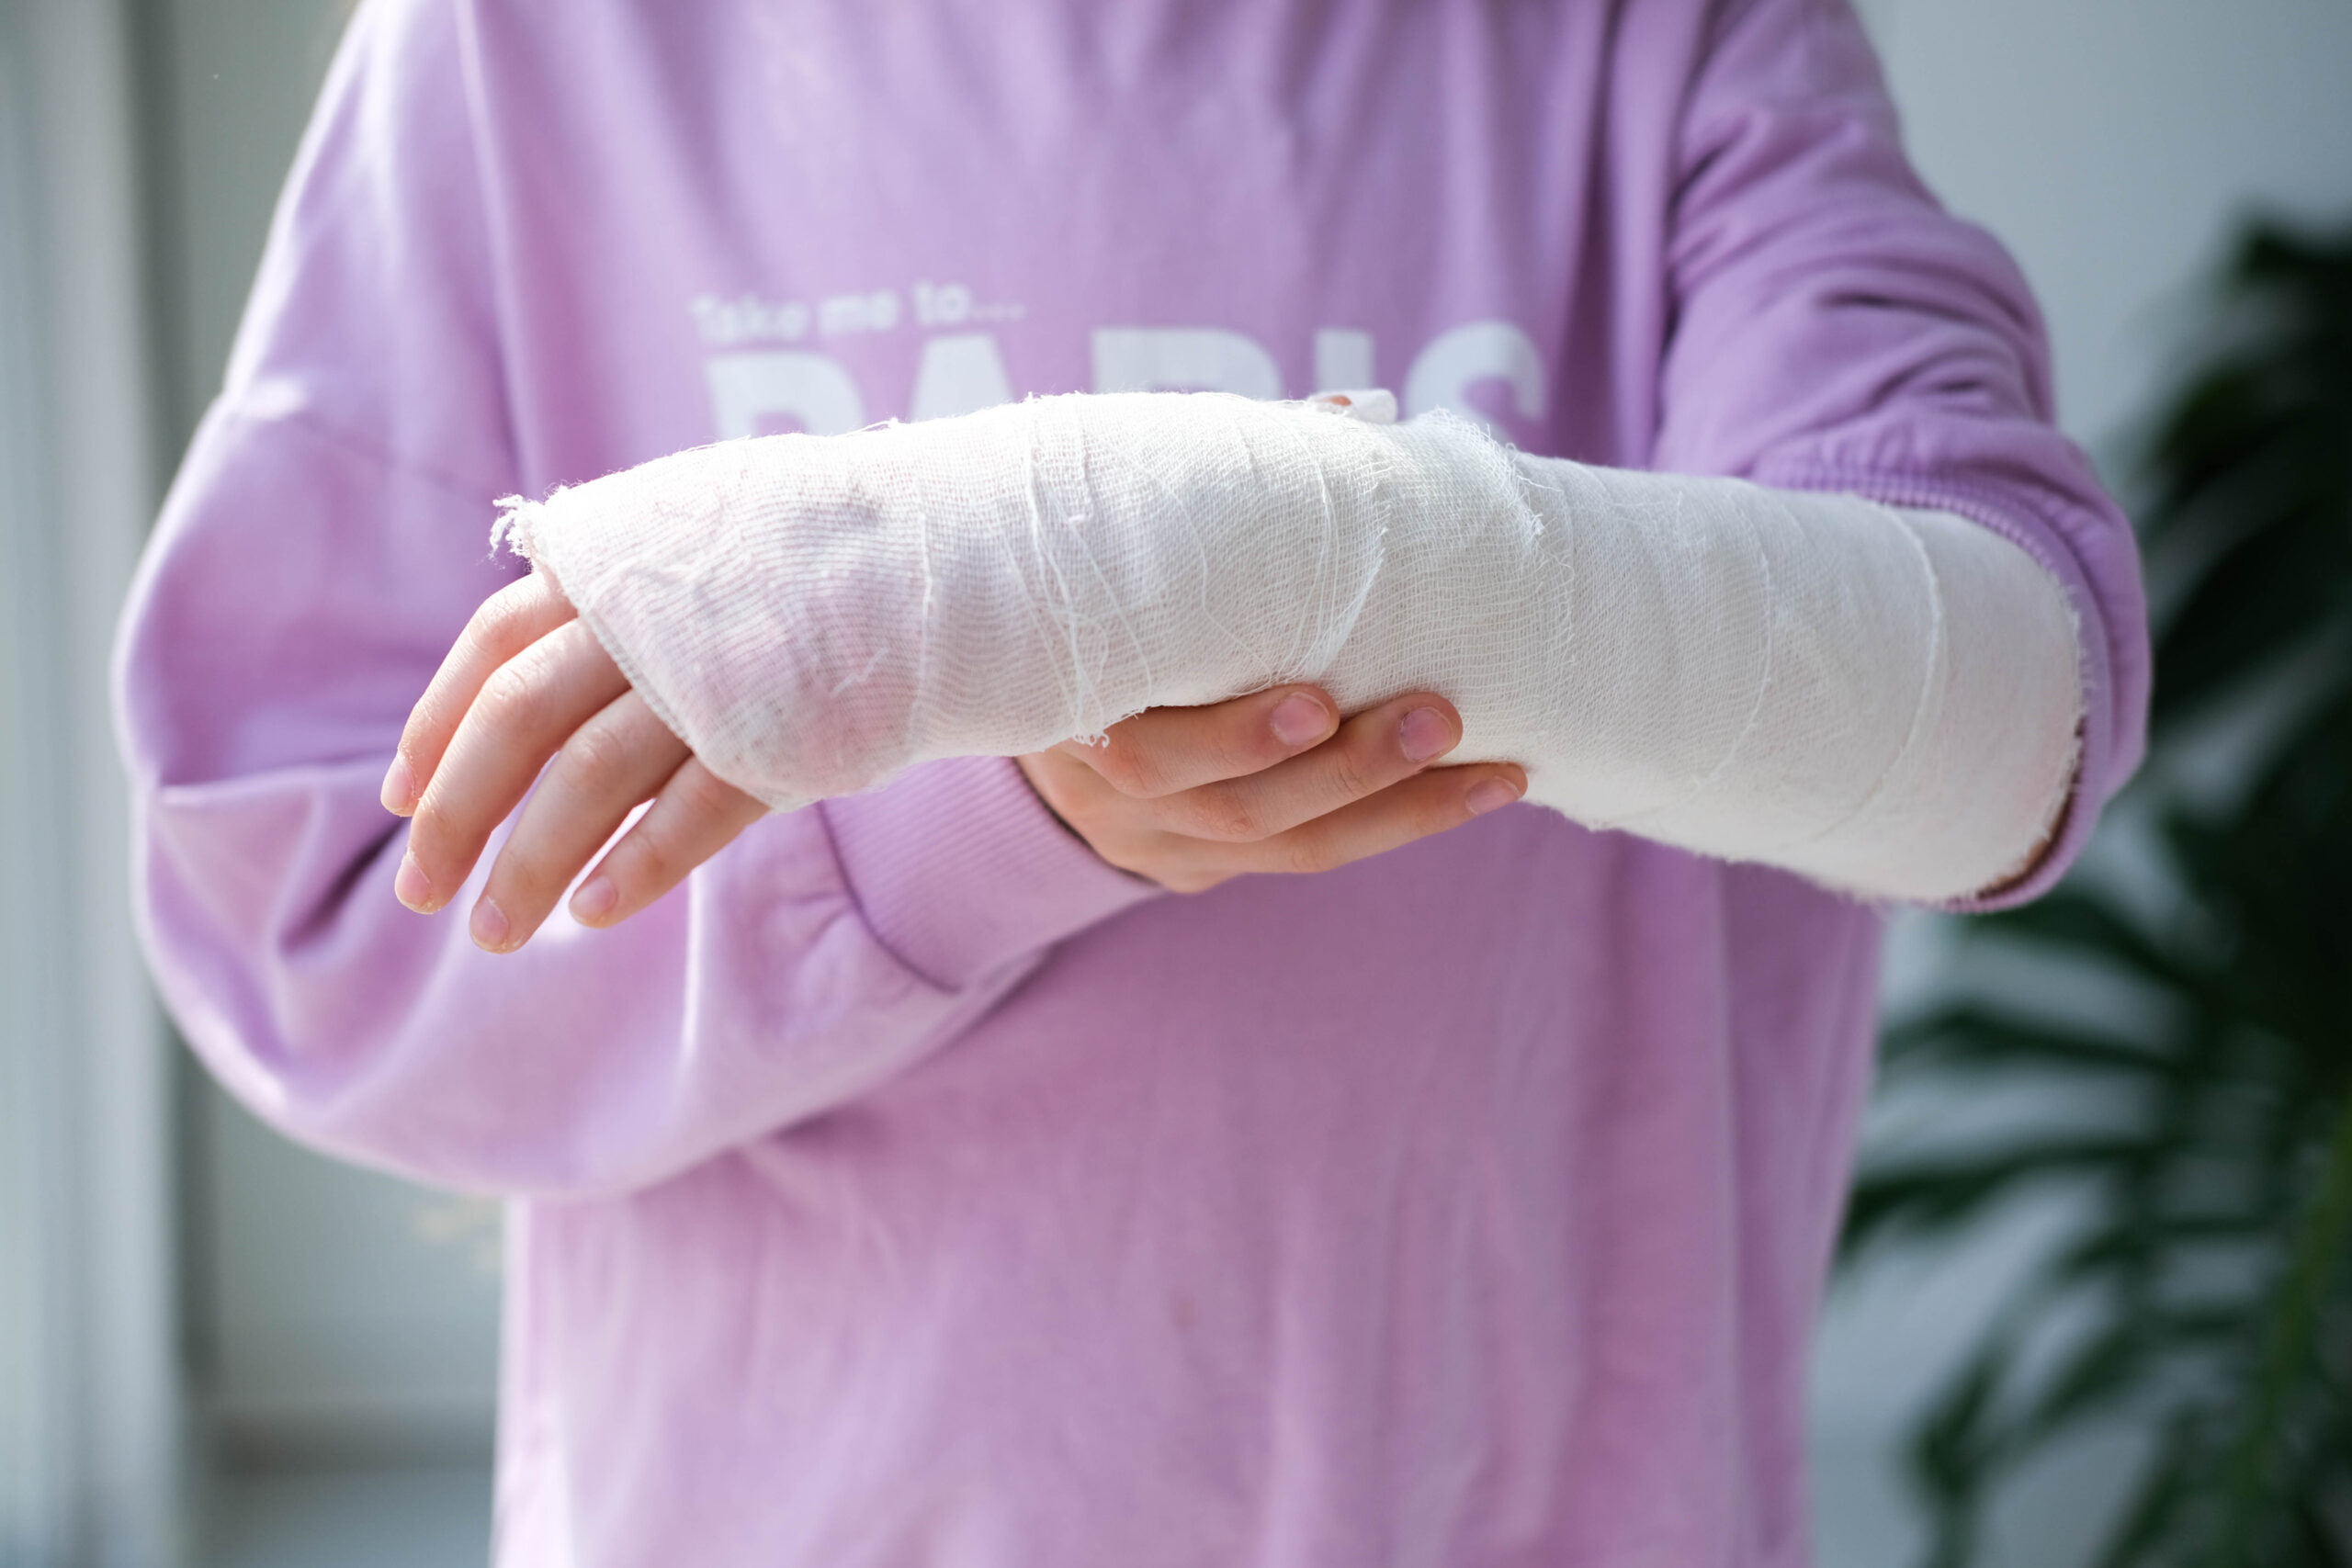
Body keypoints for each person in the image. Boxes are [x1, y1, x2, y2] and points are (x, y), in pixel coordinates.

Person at [114, 0, 2149, 1561]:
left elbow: (1997, 713)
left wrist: (1123, 568)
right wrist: (977, 821)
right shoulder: (523, 46)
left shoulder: (1660, 30)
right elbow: (307, 919)